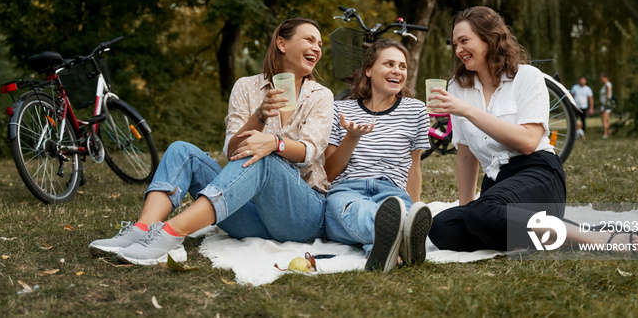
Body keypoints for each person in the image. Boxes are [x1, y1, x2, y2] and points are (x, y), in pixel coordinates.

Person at [88, 17, 334, 265]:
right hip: (247, 213)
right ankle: (143, 228)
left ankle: (169, 234)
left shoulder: (321, 96)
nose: (317, 48)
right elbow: (232, 151)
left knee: (261, 156)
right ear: (282, 43)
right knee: (182, 150)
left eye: (320, 44)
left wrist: (274, 143)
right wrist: (259, 115)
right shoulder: (246, 87)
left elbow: (309, 152)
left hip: (300, 216)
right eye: (309, 40)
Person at [427, 7, 638, 258]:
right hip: (497, 185)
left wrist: (468, 111)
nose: (458, 50)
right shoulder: (458, 88)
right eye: (455, 44)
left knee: (484, 213)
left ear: (489, 38)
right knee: (442, 227)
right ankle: (541, 235)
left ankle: (601, 237)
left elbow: (528, 142)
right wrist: (465, 211)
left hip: (538, 173)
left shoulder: (527, 77)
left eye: (465, 41)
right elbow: (466, 155)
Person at [324, 39, 432, 273]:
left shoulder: (416, 110)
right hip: (347, 192)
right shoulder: (340, 110)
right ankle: (402, 236)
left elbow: (414, 169)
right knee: (348, 209)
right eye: (389, 64)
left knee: (391, 211)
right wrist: (350, 138)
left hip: (392, 194)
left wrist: (413, 206)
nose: (397, 71)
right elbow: (330, 172)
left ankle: (389, 239)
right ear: (369, 70)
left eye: (402, 66)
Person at [599, 72, 613, 139]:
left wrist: (605, 105)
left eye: (602, 79)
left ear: (605, 78)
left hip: (606, 105)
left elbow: (608, 96)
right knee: (606, 120)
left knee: (604, 120)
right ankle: (609, 131)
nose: (601, 81)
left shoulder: (607, 85)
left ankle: (605, 133)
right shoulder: (606, 85)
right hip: (604, 104)